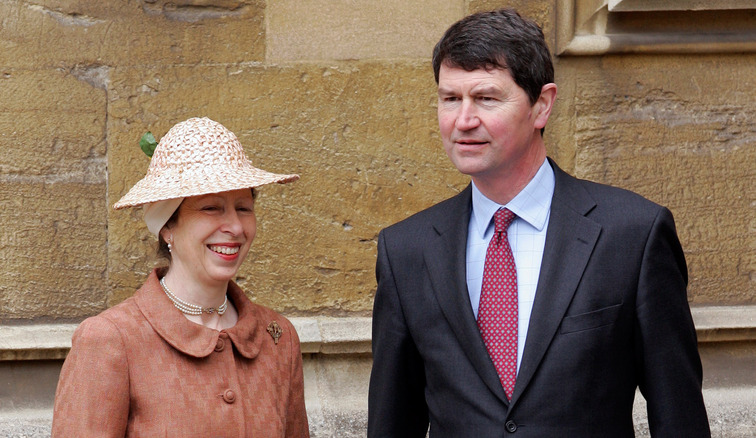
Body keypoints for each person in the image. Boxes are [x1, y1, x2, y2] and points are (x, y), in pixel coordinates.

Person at [368, 9, 710, 437]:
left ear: (542, 106)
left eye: (486, 98)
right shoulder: (406, 250)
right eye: (450, 98)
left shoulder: (633, 233)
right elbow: (392, 422)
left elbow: (679, 417)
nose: (463, 120)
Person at [52, 117, 309, 437]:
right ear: (167, 226)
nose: (236, 227)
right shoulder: (110, 340)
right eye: (211, 208)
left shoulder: (278, 338)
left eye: (243, 208)